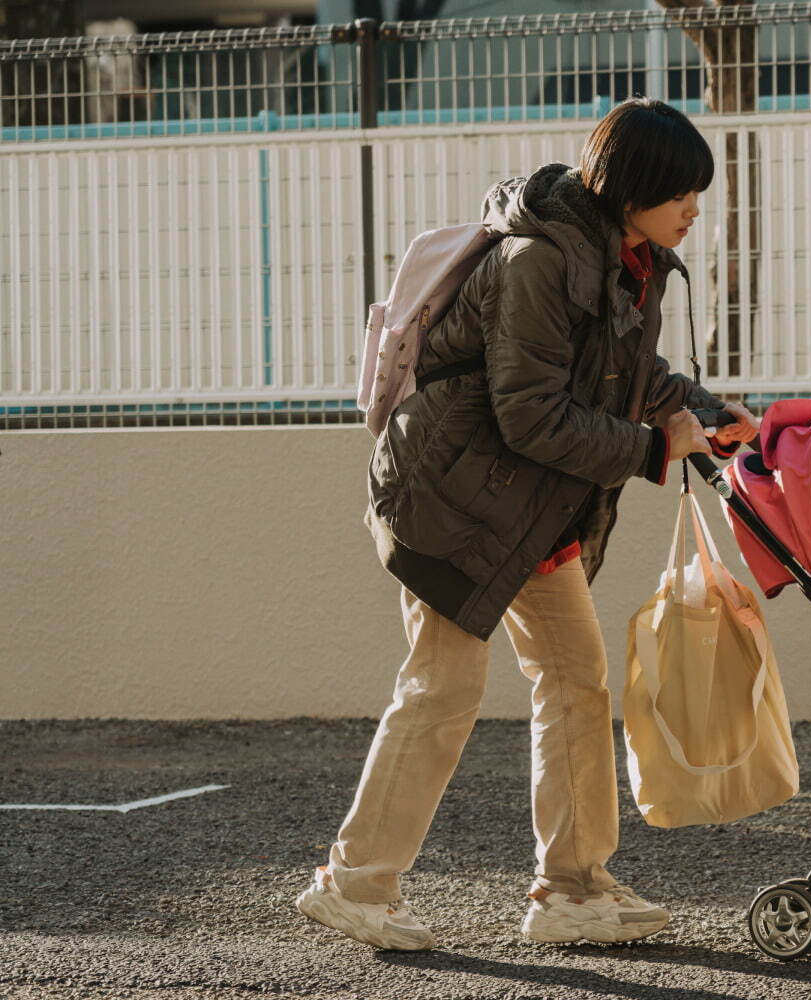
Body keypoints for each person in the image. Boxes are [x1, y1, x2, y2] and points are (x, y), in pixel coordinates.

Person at [296, 99, 758, 951]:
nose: (696, 209)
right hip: (455, 502)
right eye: (682, 192)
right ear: (632, 189)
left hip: (530, 513)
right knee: (444, 687)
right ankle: (354, 883)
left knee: (578, 683)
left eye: (701, 193)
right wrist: (657, 451)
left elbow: (623, 371)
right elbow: (532, 413)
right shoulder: (537, 261)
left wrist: (704, 408)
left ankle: (572, 890)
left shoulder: (633, 261)